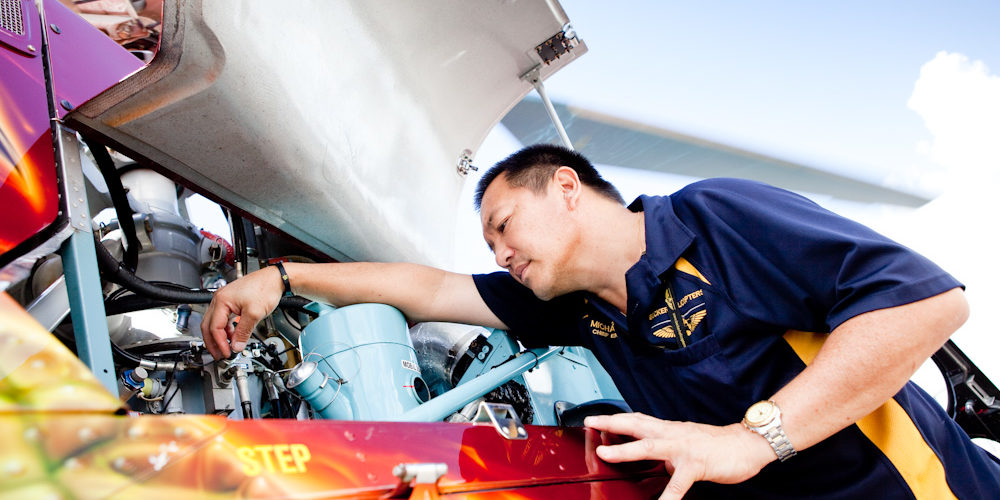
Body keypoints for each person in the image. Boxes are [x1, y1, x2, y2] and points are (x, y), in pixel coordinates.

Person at [202, 144, 1000, 499]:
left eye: (506, 225)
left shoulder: (713, 220)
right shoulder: (574, 310)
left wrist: (750, 440)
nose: (500, 252)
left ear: (568, 188)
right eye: (490, 243)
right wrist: (283, 275)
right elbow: (432, 288)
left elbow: (925, 301)